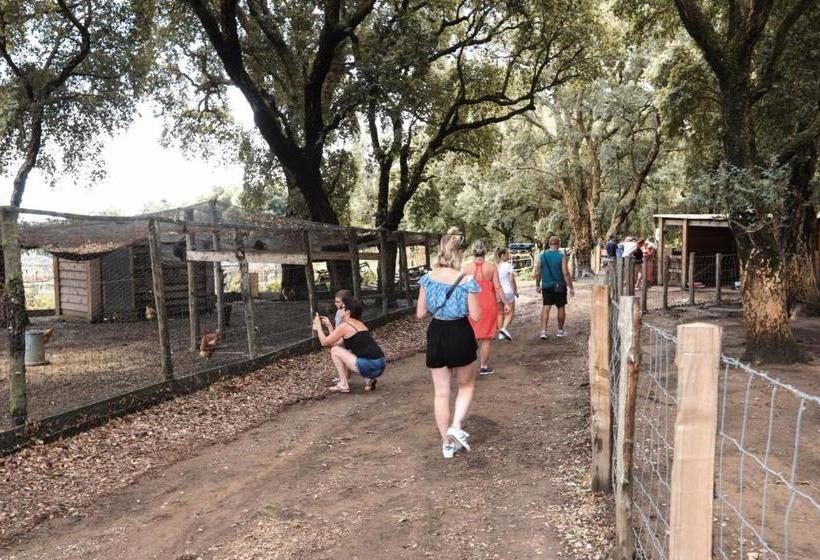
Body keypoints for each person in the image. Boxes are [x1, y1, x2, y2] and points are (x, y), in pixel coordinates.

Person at [417, 227, 481, 459]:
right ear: (459, 253)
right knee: (466, 385)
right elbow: (476, 316)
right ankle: (456, 425)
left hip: (437, 333)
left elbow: (420, 313)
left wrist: (437, 307)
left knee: (441, 393)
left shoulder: (427, 279)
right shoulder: (466, 280)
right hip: (460, 332)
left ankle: (446, 445)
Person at [313, 295, 386, 393]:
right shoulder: (359, 324)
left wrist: (318, 326)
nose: (339, 309)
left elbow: (324, 342)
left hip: (370, 365)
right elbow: (336, 343)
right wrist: (329, 326)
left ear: (348, 312)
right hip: (381, 363)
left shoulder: (345, 326)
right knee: (344, 350)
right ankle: (368, 379)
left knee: (334, 351)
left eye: (342, 308)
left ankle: (343, 384)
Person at [462, 240, 504, 376]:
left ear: (473, 251)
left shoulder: (466, 268)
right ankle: (484, 366)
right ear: (485, 251)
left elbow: (461, 288)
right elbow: (498, 287)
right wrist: (506, 302)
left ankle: (466, 366)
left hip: (470, 305)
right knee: (486, 338)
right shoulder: (492, 267)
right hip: (488, 305)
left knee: (469, 335)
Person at [535, 236, 575, 339]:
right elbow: (565, 273)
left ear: (549, 244)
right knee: (561, 307)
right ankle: (560, 331)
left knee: (546, 307)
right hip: (559, 285)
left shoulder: (542, 256)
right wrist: (571, 287)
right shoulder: (561, 256)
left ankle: (543, 332)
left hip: (546, 285)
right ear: (559, 244)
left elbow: (538, 272)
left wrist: (537, 285)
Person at [495, 247, 518, 341]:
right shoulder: (508, 265)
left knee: (500, 313)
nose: (509, 255)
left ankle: (500, 333)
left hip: (497, 292)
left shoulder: (495, 266)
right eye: (507, 254)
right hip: (507, 291)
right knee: (510, 312)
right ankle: (503, 330)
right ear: (502, 255)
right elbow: (511, 280)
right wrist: (515, 290)